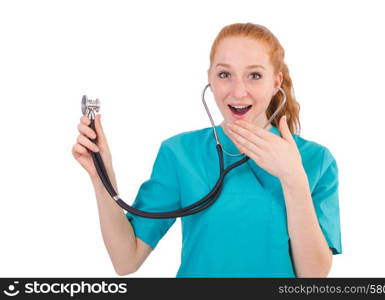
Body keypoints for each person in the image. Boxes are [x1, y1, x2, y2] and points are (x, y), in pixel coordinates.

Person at [71, 22, 342, 278]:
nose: (238, 92)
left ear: (275, 83)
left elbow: (314, 276)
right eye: (225, 74)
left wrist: (293, 178)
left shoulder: (315, 160)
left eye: (255, 76)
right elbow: (126, 260)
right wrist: (101, 176)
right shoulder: (180, 153)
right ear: (210, 79)